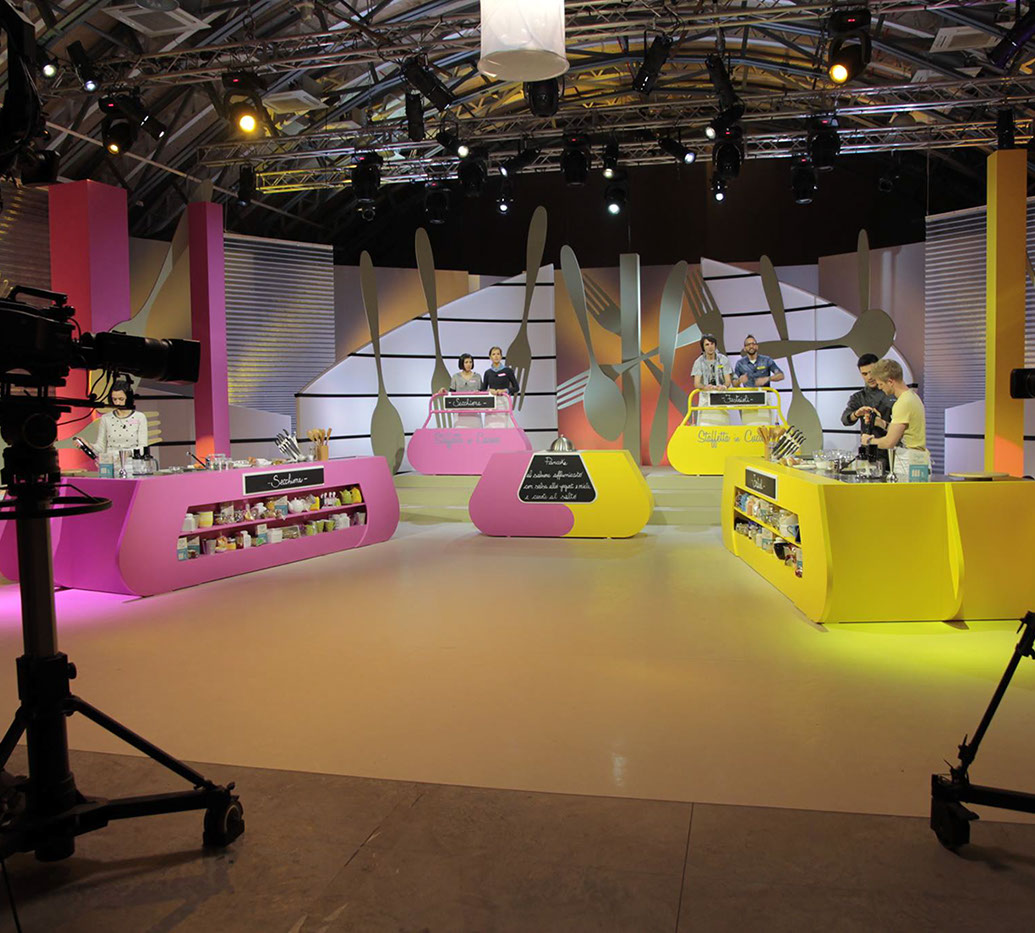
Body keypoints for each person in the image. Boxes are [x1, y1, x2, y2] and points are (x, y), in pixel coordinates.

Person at [861, 358, 930, 481]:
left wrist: (868, 441)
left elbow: (889, 442)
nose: (880, 388)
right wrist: (882, 424)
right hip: (917, 461)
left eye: (881, 384)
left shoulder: (902, 403)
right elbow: (906, 431)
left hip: (908, 464)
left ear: (890, 381)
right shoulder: (913, 397)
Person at [841, 353, 894, 466]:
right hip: (867, 453)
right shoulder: (858, 397)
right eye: (865, 374)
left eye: (872, 372)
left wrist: (882, 423)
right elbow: (845, 420)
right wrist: (856, 414)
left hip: (891, 452)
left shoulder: (892, 394)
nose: (869, 377)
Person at [734, 335, 784, 424]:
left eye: (753, 344)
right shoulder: (740, 363)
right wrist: (739, 381)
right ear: (744, 348)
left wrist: (768, 378)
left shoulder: (767, 360)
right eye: (748, 344)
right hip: (748, 399)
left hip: (764, 398)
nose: (751, 346)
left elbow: (781, 375)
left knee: (765, 428)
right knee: (749, 428)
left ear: (757, 346)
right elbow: (734, 383)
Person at [94, 383, 148, 457]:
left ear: (128, 398)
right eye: (114, 399)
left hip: (131, 461)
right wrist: (89, 446)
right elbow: (100, 447)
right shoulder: (106, 418)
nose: (117, 403)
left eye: (121, 399)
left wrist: (127, 453)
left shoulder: (139, 417)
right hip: (111, 461)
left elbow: (143, 447)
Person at [691, 334, 733, 426]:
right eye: (707, 344)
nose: (710, 347)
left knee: (723, 428)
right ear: (703, 347)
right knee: (705, 429)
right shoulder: (698, 362)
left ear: (715, 345)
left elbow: (728, 381)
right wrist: (705, 387)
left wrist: (724, 386)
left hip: (721, 397)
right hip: (705, 399)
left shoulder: (723, 359)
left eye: (712, 344)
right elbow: (697, 383)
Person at [450, 353, 483, 428]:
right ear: (462, 363)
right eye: (466, 362)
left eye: (470, 362)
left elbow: (482, 392)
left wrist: (479, 393)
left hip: (474, 412)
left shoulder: (477, 376)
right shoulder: (455, 377)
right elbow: (451, 393)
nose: (469, 364)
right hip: (459, 412)